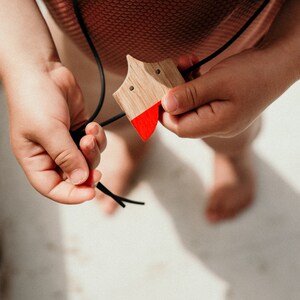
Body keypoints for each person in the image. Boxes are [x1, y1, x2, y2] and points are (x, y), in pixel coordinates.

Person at [0, 0, 299, 222]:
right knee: (98, 113)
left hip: (231, 52)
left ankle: (233, 155)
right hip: (86, 48)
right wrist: (31, 64)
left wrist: (281, 60)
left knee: (228, 129)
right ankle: (132, 143)